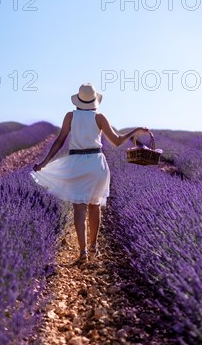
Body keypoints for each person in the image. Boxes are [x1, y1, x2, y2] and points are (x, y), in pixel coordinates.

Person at [30, 83, 151, 265]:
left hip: (77, 163)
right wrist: (135, 132)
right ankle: (94, 247)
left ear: (78, 100)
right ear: (94, 100)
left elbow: (59, 140)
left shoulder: (70, 116)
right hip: (97, 163)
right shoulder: (99, 117)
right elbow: (117, 141)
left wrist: (44, 162)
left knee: (79, 208)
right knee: (94, 206)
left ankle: (83, 252)